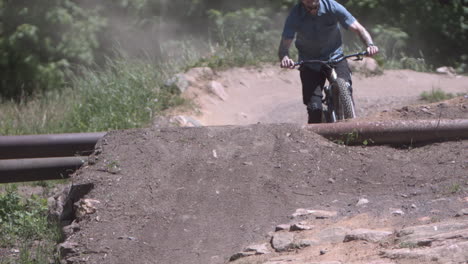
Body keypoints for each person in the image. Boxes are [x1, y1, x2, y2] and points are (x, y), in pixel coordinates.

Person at [278, 0, 379, 123]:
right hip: (309, 62)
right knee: (315, 109)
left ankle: (351, 121)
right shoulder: (295, 15)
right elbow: (284, 46)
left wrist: (370, 44)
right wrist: (285, 58)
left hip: (335, 57)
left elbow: (358, 28)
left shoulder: (333, 6)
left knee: (346, 88)